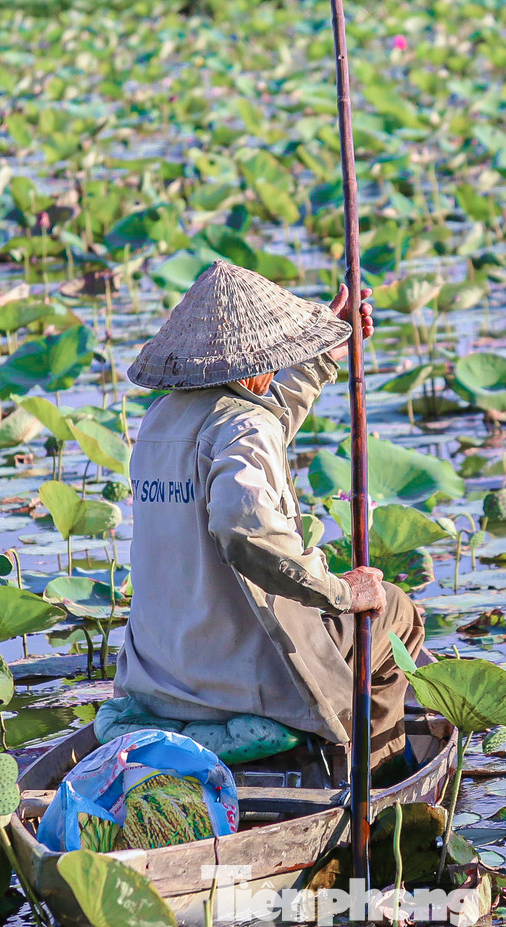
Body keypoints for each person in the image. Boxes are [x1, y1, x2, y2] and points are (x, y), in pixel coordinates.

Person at [116, 260, 425, 772]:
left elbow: (259, 424)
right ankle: (379, 770)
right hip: (242, 679)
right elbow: (242, 526)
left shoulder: (159, 422)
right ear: (256, 359)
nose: (280, 365)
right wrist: (343, 592)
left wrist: (324, 359)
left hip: (160, 678)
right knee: (393, 612)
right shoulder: (244, 425)